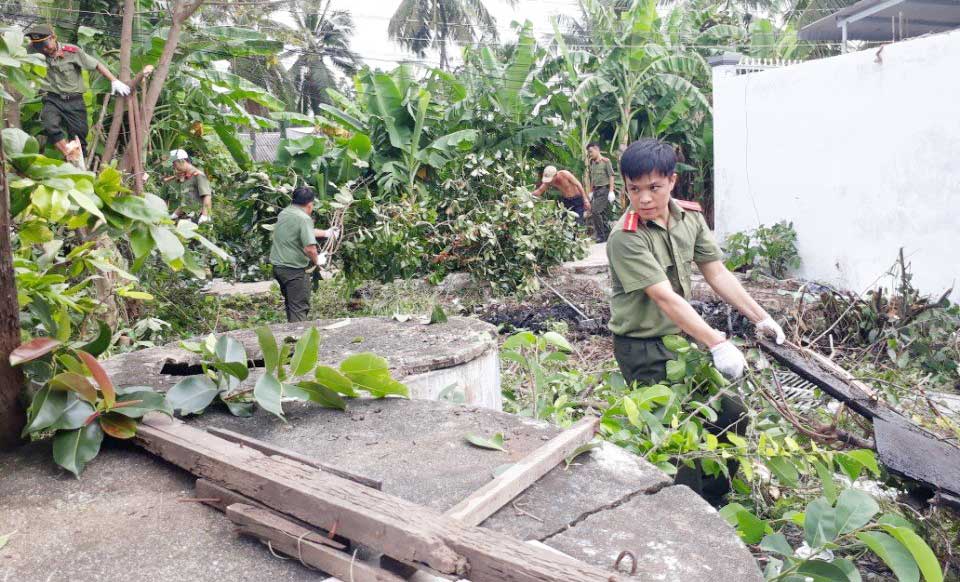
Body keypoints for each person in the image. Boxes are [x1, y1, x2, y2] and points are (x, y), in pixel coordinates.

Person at [606, 138, 785, 502]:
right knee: (677, 439)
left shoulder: (691, 217)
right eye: (633, 189)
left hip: (679, 342)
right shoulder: (625, 236)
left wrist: (761, 317)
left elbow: (717, 274)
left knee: (731, 417)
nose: (642, 199)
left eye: (653, 188)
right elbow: (664, 297)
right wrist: (717, 343)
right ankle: (686, 517)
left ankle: (716, 504)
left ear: (672, 181)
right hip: (641, 348)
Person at [25, 24, 130, 163]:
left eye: (45, 45)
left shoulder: (72, 52)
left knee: (79, 137)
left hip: (74, 101)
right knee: (49, 124)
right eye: (39, 47)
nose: (43, 49)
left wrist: (114, 81)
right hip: (52, 99)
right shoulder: (33, 50)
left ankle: (79, 165)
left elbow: (96, 64)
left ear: (53, 38)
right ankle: (69, 154)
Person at [269, 186, 339, 322]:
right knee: (299, 309)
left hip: (279, 268)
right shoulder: (304, 218)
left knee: (291, 305)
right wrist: (317, 259)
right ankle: (298, 339)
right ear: (310, 204)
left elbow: (304, 231)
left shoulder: (286, 212)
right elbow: (309, 249)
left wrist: (327, 233)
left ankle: (290, 337)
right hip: (294, 271)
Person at [164, 150, 212, 223]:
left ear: (182, 161)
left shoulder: (198, 175)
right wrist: (174, 215)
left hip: (198, 218)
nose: (174, 167)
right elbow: (187, 201)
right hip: (187, 219)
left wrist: (205, 216)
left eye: (175, 164)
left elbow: (207, 196)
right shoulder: (186, 177)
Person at [585, 143, 616, 243]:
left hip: (604, 189)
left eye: (591, 151)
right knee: (602, 213)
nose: (590, 154)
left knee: (595, 211)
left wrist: (611, 191)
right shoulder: (592, 163)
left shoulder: (606, 161)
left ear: (597, 150)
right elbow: (592, 178)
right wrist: (590, 192)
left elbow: (611, 176)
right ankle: (607, 234)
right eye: (588, 152)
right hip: (596, 190)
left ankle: (600, 236)